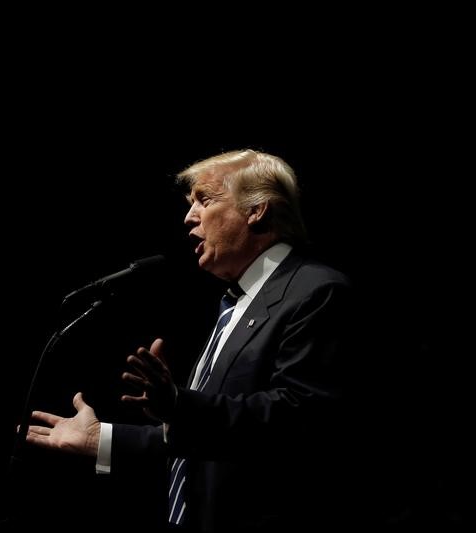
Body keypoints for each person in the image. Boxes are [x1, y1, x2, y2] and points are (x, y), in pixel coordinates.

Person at [23, 149, 357, 532]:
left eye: (205, 199)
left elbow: (297, 421)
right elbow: (203, 440)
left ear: (257, 209)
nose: (189, 217)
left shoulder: (316, 291)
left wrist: (180, 405)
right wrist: (102, 440)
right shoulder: (235, 305)